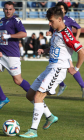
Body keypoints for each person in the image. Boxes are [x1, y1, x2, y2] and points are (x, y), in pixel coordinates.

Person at [19, 6, 84, 138]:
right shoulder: (56, 32)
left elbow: (81, 51)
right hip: (49, 68)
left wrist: (76, 68)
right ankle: (50, 116)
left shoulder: (67, 34)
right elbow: (55, 46)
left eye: (51, 21)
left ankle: (33, 130)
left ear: (60, 19)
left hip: (58, 70)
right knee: (30, 95)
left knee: (38, 97)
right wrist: (45, 50)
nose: (49, 24)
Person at [0, 1, 30, 111]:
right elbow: (3, 38)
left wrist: (9, 36)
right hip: (1, 54)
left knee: (17, 80)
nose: (8, 11)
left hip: (12, 55)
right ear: (3, 10)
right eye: (6, 9)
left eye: (10, 9)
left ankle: (34, 94)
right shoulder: (1, 21)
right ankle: (3, 98)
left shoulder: (16, 20)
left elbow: (24, 34)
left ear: (14, 10)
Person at [46, 2, 84, 97]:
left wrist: (76, 38)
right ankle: (63, 85)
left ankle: (78, 86)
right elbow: (52, 30)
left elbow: (78, 28)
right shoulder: (54, 20)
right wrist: (49, 33)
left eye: (62, 8)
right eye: (58, 8)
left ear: (65, 10)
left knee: (65, 67)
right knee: (56, 66)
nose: (60, 9)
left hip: (66, 46)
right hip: (58, 46)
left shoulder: (68, 19)